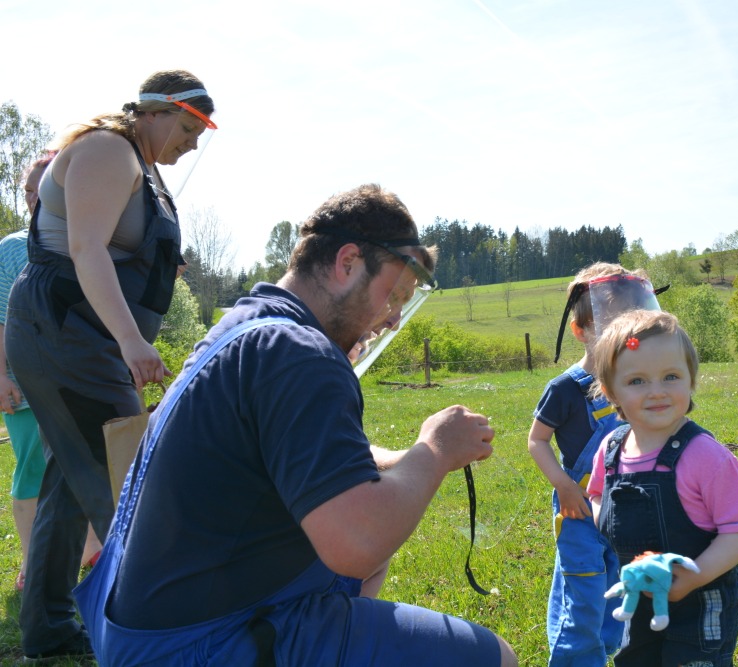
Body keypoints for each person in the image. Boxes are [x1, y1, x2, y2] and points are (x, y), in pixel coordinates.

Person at [74, 183, 518, 667]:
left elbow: (315, 454)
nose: (393, 319)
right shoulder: (301, 353)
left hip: (137, 630)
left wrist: (403, 459)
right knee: (494, 658)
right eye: (395, 294)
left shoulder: (247, 327)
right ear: (347, 262)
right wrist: (434, 451)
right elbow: (358, 543)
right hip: (200, 643)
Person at [5, 70, 215, 660]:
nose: (193, 142)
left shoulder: (143, 170)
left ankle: (47, 630)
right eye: (188, 126)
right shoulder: (106, 149)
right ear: (155, 110)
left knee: (67, 487)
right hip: (65, 334)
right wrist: (129, 340)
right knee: (130, 480)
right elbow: (85, 248)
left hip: (76, 339)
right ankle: (151, 634)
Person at [587, 310, 738, 666]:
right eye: (637, 381)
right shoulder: (611, 451)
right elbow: (597, 493)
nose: (657, 392)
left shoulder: (706, 458)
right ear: (610, 392)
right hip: (640, 595)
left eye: (670, 377)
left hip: (701, 600)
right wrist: (606, 520)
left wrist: (692, 578)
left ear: (691, 379)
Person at [530, 262, 666, 666]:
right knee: (584, 592)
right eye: (610, 325)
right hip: (579, 511)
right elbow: (537, 441)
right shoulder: (565, 388)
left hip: (623, 508)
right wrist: (564, 486)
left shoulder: (632, 383)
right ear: (582, 330)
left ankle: (605, 649)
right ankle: (576, 658)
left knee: (617, 584)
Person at [1, 154, 103, 594]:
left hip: (76, 378)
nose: (34, 198)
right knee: (33, 468)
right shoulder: (10, 249)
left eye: (43, 189)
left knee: (83, 464)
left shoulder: (86, 241)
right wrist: (2, 376)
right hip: (22, 380)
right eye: (28, 190)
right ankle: (32, 561)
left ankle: (89, 550)